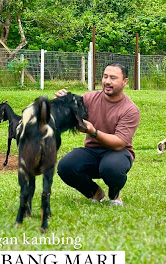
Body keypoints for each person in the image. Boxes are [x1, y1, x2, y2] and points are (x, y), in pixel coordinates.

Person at [56, 63, 140, 206]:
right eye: (105, 76)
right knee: (65, 166)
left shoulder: (130, 109)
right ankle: (95, 192)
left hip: (118, 153)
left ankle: (114, 195)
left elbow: (120, 143)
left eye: (113, 78)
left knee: (111, 167)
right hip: (92, 151)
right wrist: (64, 101)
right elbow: (72, 112)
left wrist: (93, 132)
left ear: (125, 81)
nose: (107, 81)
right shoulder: (89, 98)